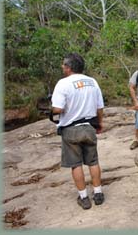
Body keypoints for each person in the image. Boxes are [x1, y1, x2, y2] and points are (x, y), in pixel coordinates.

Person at [51, 53, 105, 210]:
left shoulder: (63, 83)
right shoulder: (92, 82)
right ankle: (98, 193)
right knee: (93, 161)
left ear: (68, 67)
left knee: (76, 164)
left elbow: (58, 109)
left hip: (70, 130)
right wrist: (99, 123)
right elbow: (99, 107)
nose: (62, 67)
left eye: (63, 65)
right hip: (89, 127)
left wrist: (51, 108)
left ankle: (84, 197)